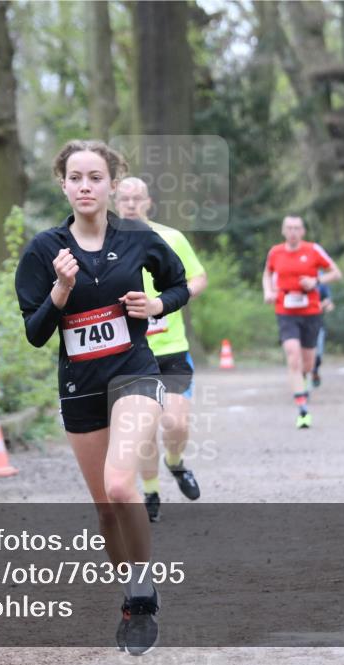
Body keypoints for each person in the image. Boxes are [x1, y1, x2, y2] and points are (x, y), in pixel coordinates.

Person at [15, 140, 188, 656]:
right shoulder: (44, 251)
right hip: (80, 389)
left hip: (134, 374)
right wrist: (60, 293)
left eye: (96, 176)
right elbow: (35, 332)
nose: (86, 186)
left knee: (120, 485)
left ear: (113, 183)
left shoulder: (138, 236)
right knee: (105, 511)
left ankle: (142, 595)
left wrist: (156, 303)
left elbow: (178, 285)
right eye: (76, 177)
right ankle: (134, 592)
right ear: (64, 185)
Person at [115, 176, 208, 523]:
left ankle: (176, 463)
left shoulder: (171, 238)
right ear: (115, 201)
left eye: (137, 198)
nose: (130, 203)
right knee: (143, 430)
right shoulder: (106, 243)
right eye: (124, 198)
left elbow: (198, 277)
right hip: (130, 353)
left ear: (148, 202)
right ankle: (151, 489)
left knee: (174, 423)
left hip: (171, 350)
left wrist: (167, 300)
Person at [262, 216, 342, 428]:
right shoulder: (275, 252)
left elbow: (336, 273)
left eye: (297, 228)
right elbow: (267, 274)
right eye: (289, 228)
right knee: (292, 354)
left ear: (303, 231)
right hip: (285, 310)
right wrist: (268, 291)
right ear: (283, 231)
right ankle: (302, 409)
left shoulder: (313, 250)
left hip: (310, 311)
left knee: (307, 362)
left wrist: (316, 281)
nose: (293, 232)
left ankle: (305, 379)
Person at [312, 279, 334, 388]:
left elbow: (329, 300)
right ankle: (301, 376)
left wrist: (325, 304)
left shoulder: (320, 280)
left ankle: (315, 371)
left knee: (318, 353)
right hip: (298, 321)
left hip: (317, 322)